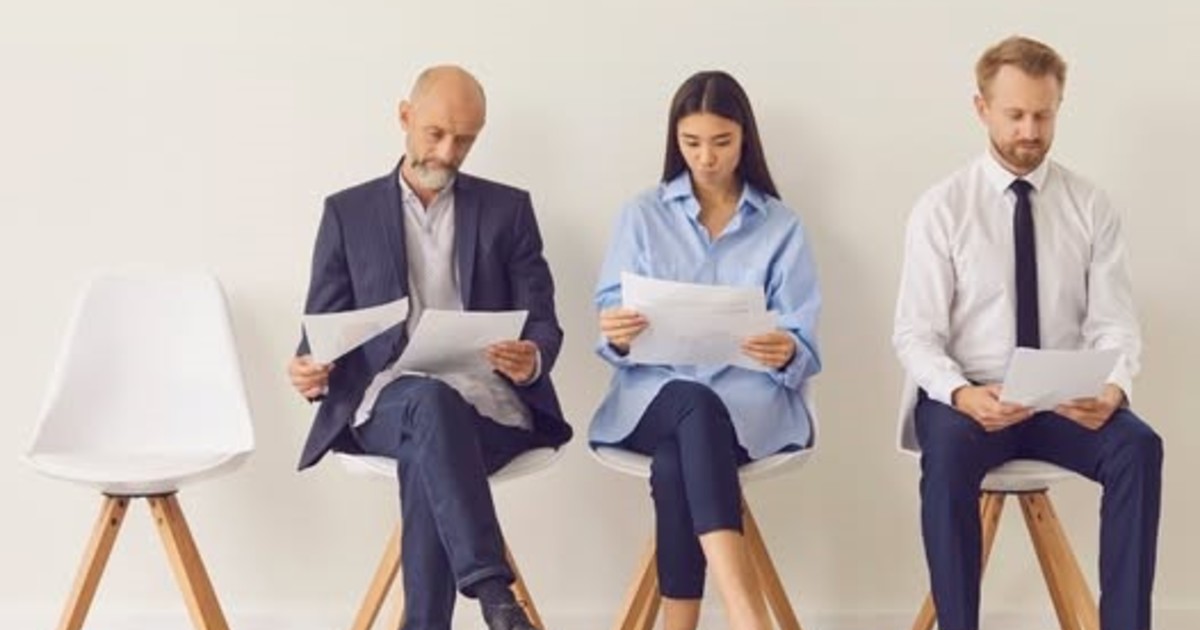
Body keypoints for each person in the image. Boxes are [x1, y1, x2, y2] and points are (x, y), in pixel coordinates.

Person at [287, 65, 572, 630]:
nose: (447, 152)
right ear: (404, 116)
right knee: (427, 402)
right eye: (436, 134)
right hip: (386, 404)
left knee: (429, 449)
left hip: (487, 408)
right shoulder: (348, 213)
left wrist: (531, 358)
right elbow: (322, 329)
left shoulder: (508, 210)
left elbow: (543, 321)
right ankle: (494, 595)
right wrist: (309, 369)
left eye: (464, 140)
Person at [893, 36, 1163, 630]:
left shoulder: (1090, 205)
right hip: (971, 397)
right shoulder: (943, 208)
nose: (1030, 131)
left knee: (1138, 447)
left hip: (1061, 398)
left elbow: (1115, 321)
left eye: (1044, 115)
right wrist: (962, 393)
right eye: (1015, 114)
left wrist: (1113, 388)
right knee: (947, 456)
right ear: (981, 108)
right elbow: (915, 333)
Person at [591, 70, 821, 630]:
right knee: (691, 401)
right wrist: (617, 330)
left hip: (746, 412)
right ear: (675, 140)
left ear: (745, 139)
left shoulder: (782, 226)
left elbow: (805, 344)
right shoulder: (642, 215)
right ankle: (747, 614)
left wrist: (785, 350)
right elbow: (610, 319)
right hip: (652, 400)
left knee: (677, 462)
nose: (706, 158)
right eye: (691, 143)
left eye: (721, 142)